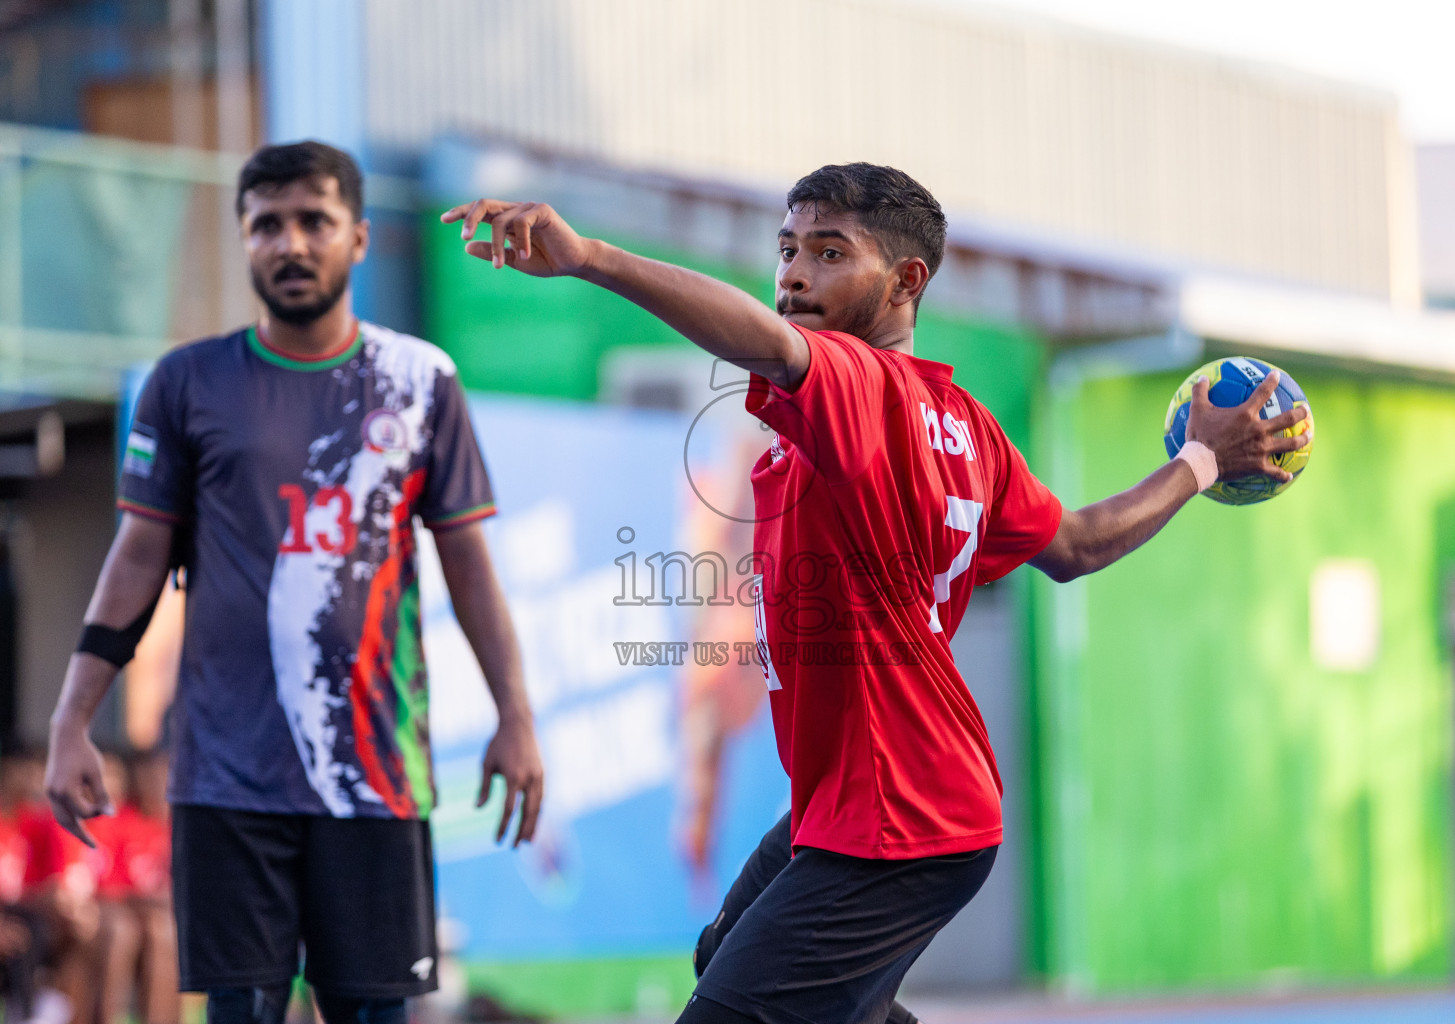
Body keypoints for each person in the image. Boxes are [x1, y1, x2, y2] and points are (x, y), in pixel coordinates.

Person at [442, 162, 1310, 1024]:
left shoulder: (860, 385)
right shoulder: (967, 424)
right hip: (871, 802)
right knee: (731, 959)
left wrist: (591, 256)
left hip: (900, 818)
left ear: (906, 281)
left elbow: (767, 343)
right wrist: (1195, 465)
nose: (792, 274)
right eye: (786, 249)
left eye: (828, 252)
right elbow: (1077, 545)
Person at [45, 141, 545, 1024]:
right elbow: (135, 557)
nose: (290, 243)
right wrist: (71, 717)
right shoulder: (186, 381)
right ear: (245, 241)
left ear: (357, 239)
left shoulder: (420, 380)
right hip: (225, 777)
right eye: (266, 224)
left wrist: (517, 716)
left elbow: (468, 567)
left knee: (373, 1013)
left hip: (375, 773)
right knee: (240, 1011)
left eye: (314, 220)